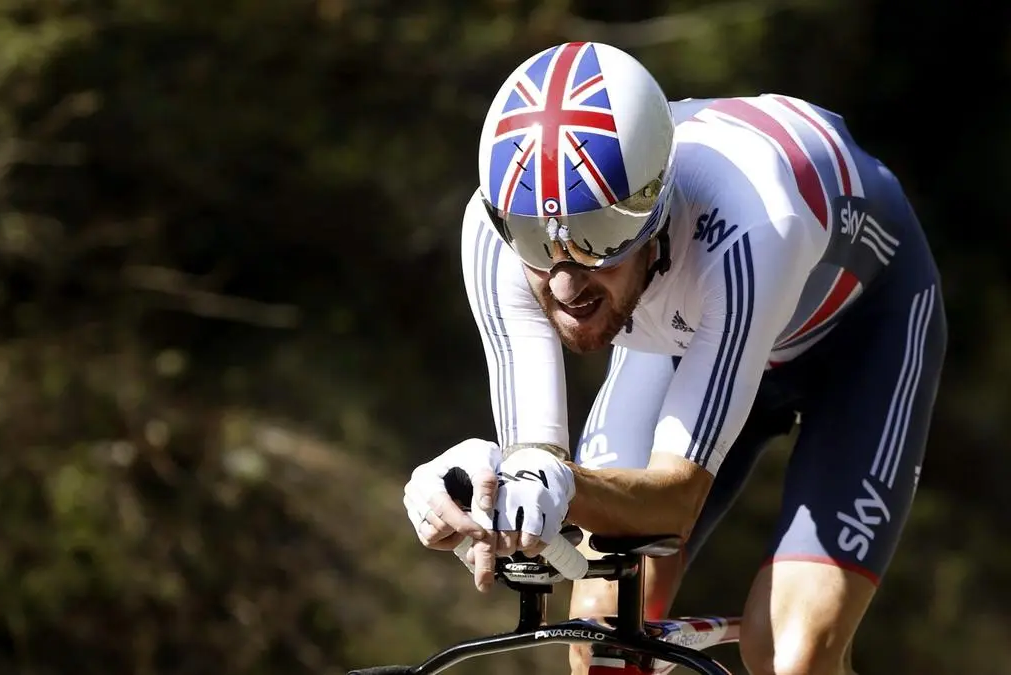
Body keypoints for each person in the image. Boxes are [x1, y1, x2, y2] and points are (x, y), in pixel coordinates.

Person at [401, 41, 946, 675]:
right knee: (601, 642)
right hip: (685, 336)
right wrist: (481, 493)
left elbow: (675, 499)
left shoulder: (752, 223)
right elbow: (537, 474)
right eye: (534, 242)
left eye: (599, 237)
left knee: (790, 657)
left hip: (860, 333)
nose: (565, 285)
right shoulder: (493, 235)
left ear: (658, 209)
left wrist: (561, 486)